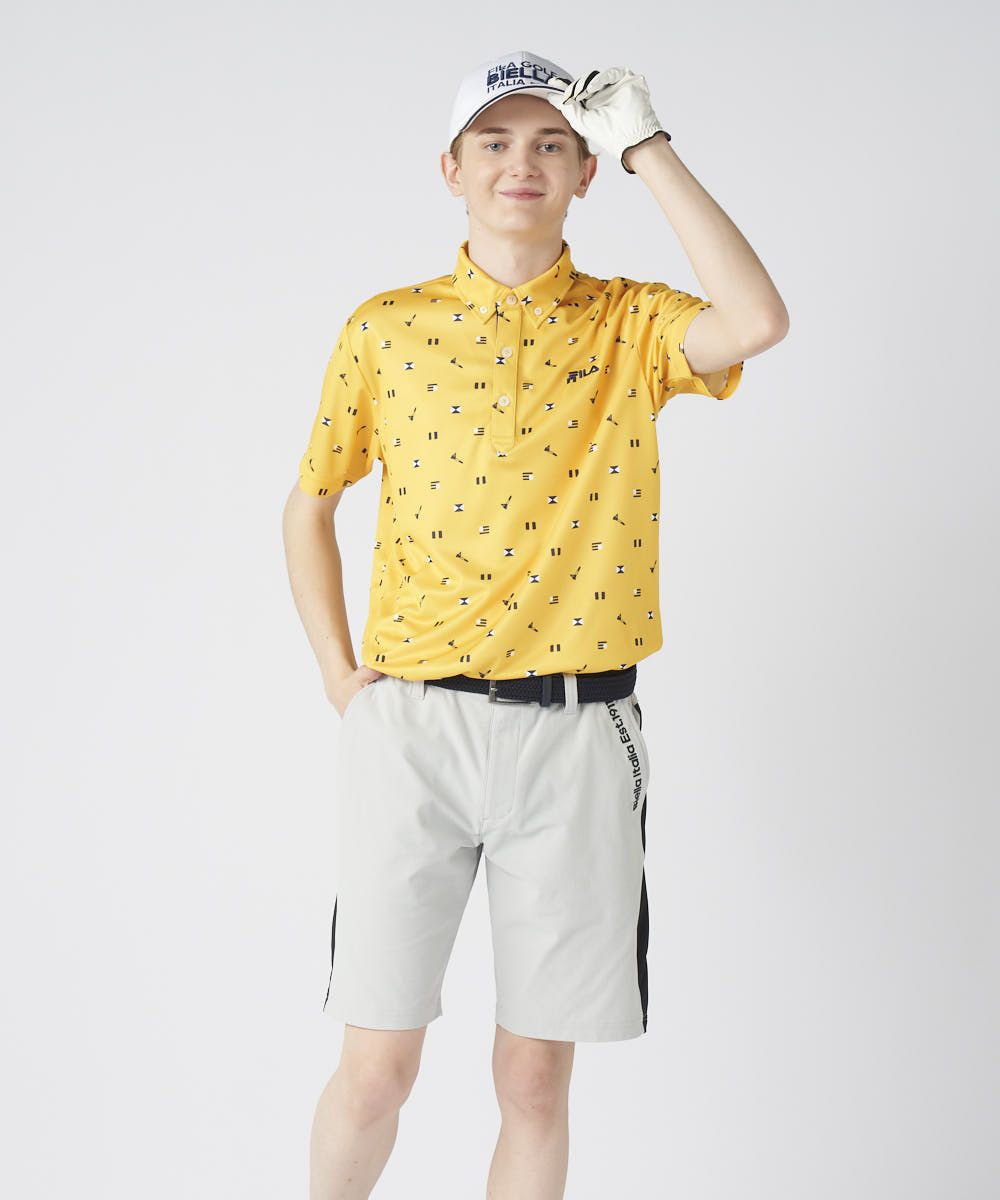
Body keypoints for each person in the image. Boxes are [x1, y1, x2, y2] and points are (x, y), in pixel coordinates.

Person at [283, 49, 789, 1200]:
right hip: (413, 731)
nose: (523, 162)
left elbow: (756, 319)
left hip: (575, 735)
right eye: (497, 142)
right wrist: (337, 674)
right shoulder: (386, 329)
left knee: (532, 1080)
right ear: (451, 169)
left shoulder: (630, 324)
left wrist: (647, 145)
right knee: (376, 1070)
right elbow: (310, 502)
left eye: (552, 143)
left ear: (583, 173)